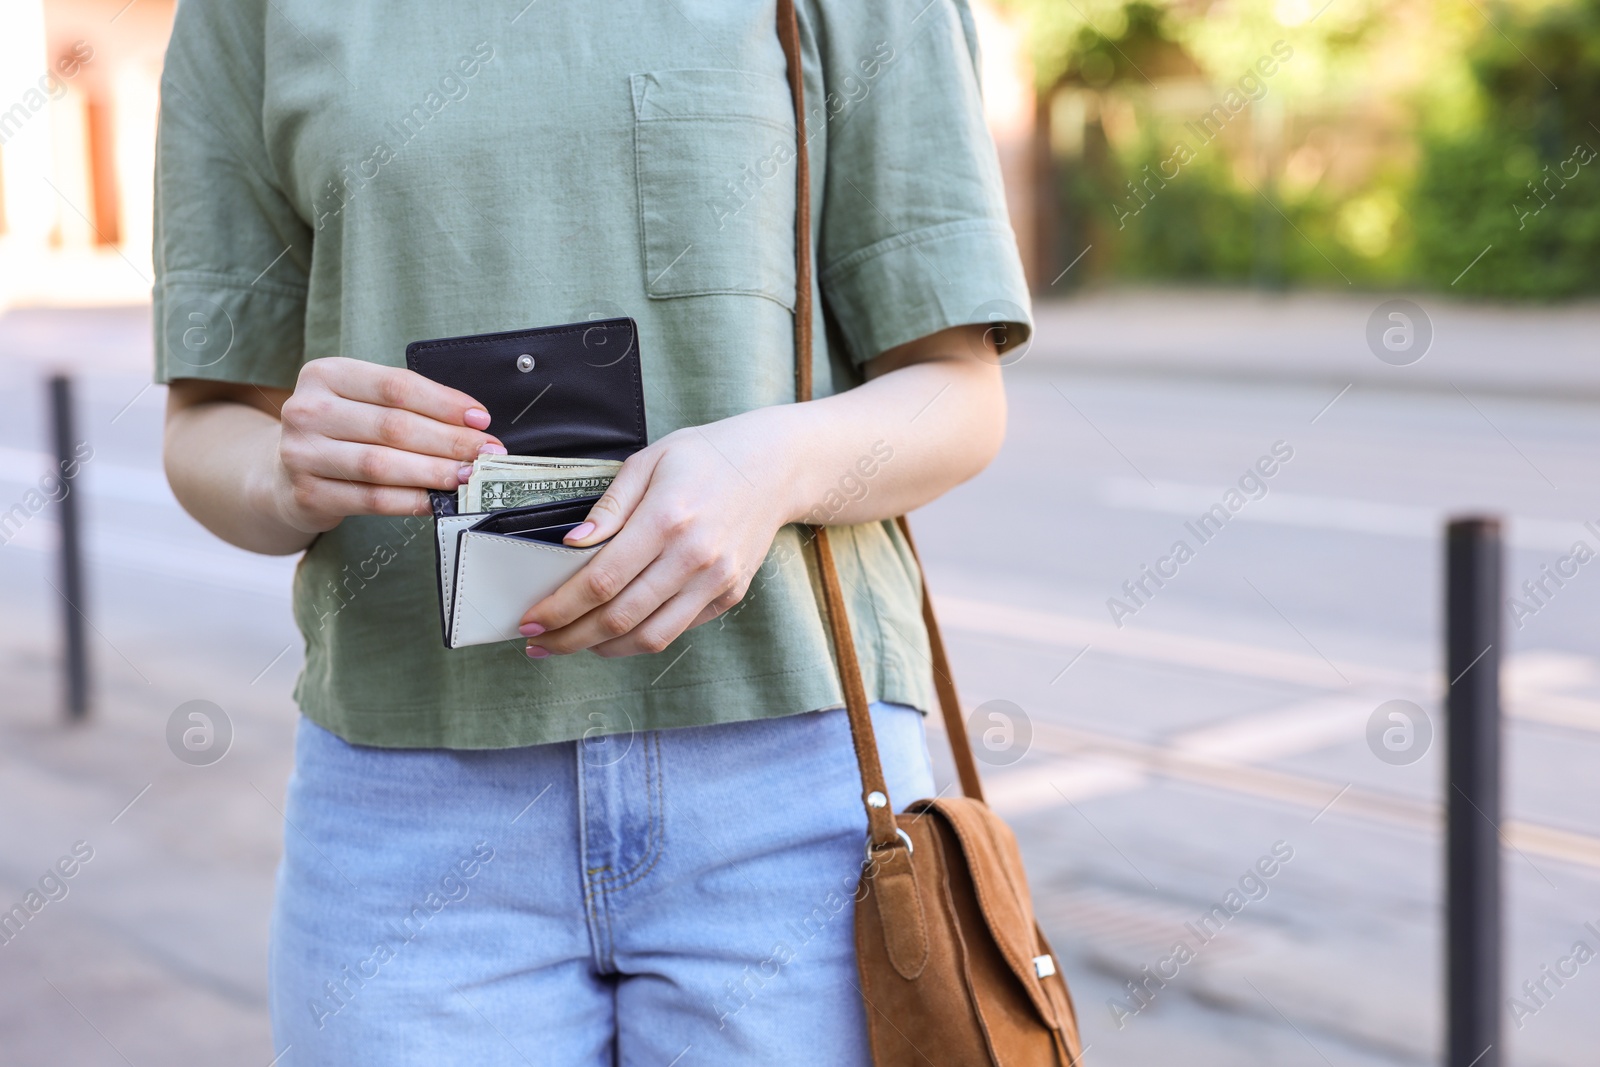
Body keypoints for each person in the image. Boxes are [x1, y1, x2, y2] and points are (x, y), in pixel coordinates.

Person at [155, 0, 1030, 1062]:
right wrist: (290, 471)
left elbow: (957, 392)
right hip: (407, 807)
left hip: (789, 781)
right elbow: (208, 422)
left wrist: (767, 469)